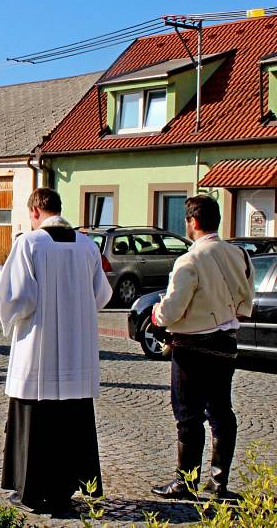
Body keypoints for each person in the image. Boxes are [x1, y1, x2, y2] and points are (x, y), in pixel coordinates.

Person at [0, 188, 112, 512]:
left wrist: (9, 315)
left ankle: (30, 492)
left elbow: (18, 299)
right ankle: (64, 492)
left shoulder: (29, 243)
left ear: (35, 211)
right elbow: (102, 295)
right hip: (77, 352)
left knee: (36, 421)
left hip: (38, 349)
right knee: (71, 421)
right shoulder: (88, 246)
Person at [151, 195, 253, 501]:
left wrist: (157, 313)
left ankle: (186, 481)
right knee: (222, 411)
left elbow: (172, 310)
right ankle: (218, 483)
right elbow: (246, 299)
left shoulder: (190, 260)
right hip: (226, 342)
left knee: (188, 414)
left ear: (192, 222)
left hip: (192, 345)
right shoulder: (239, 254)